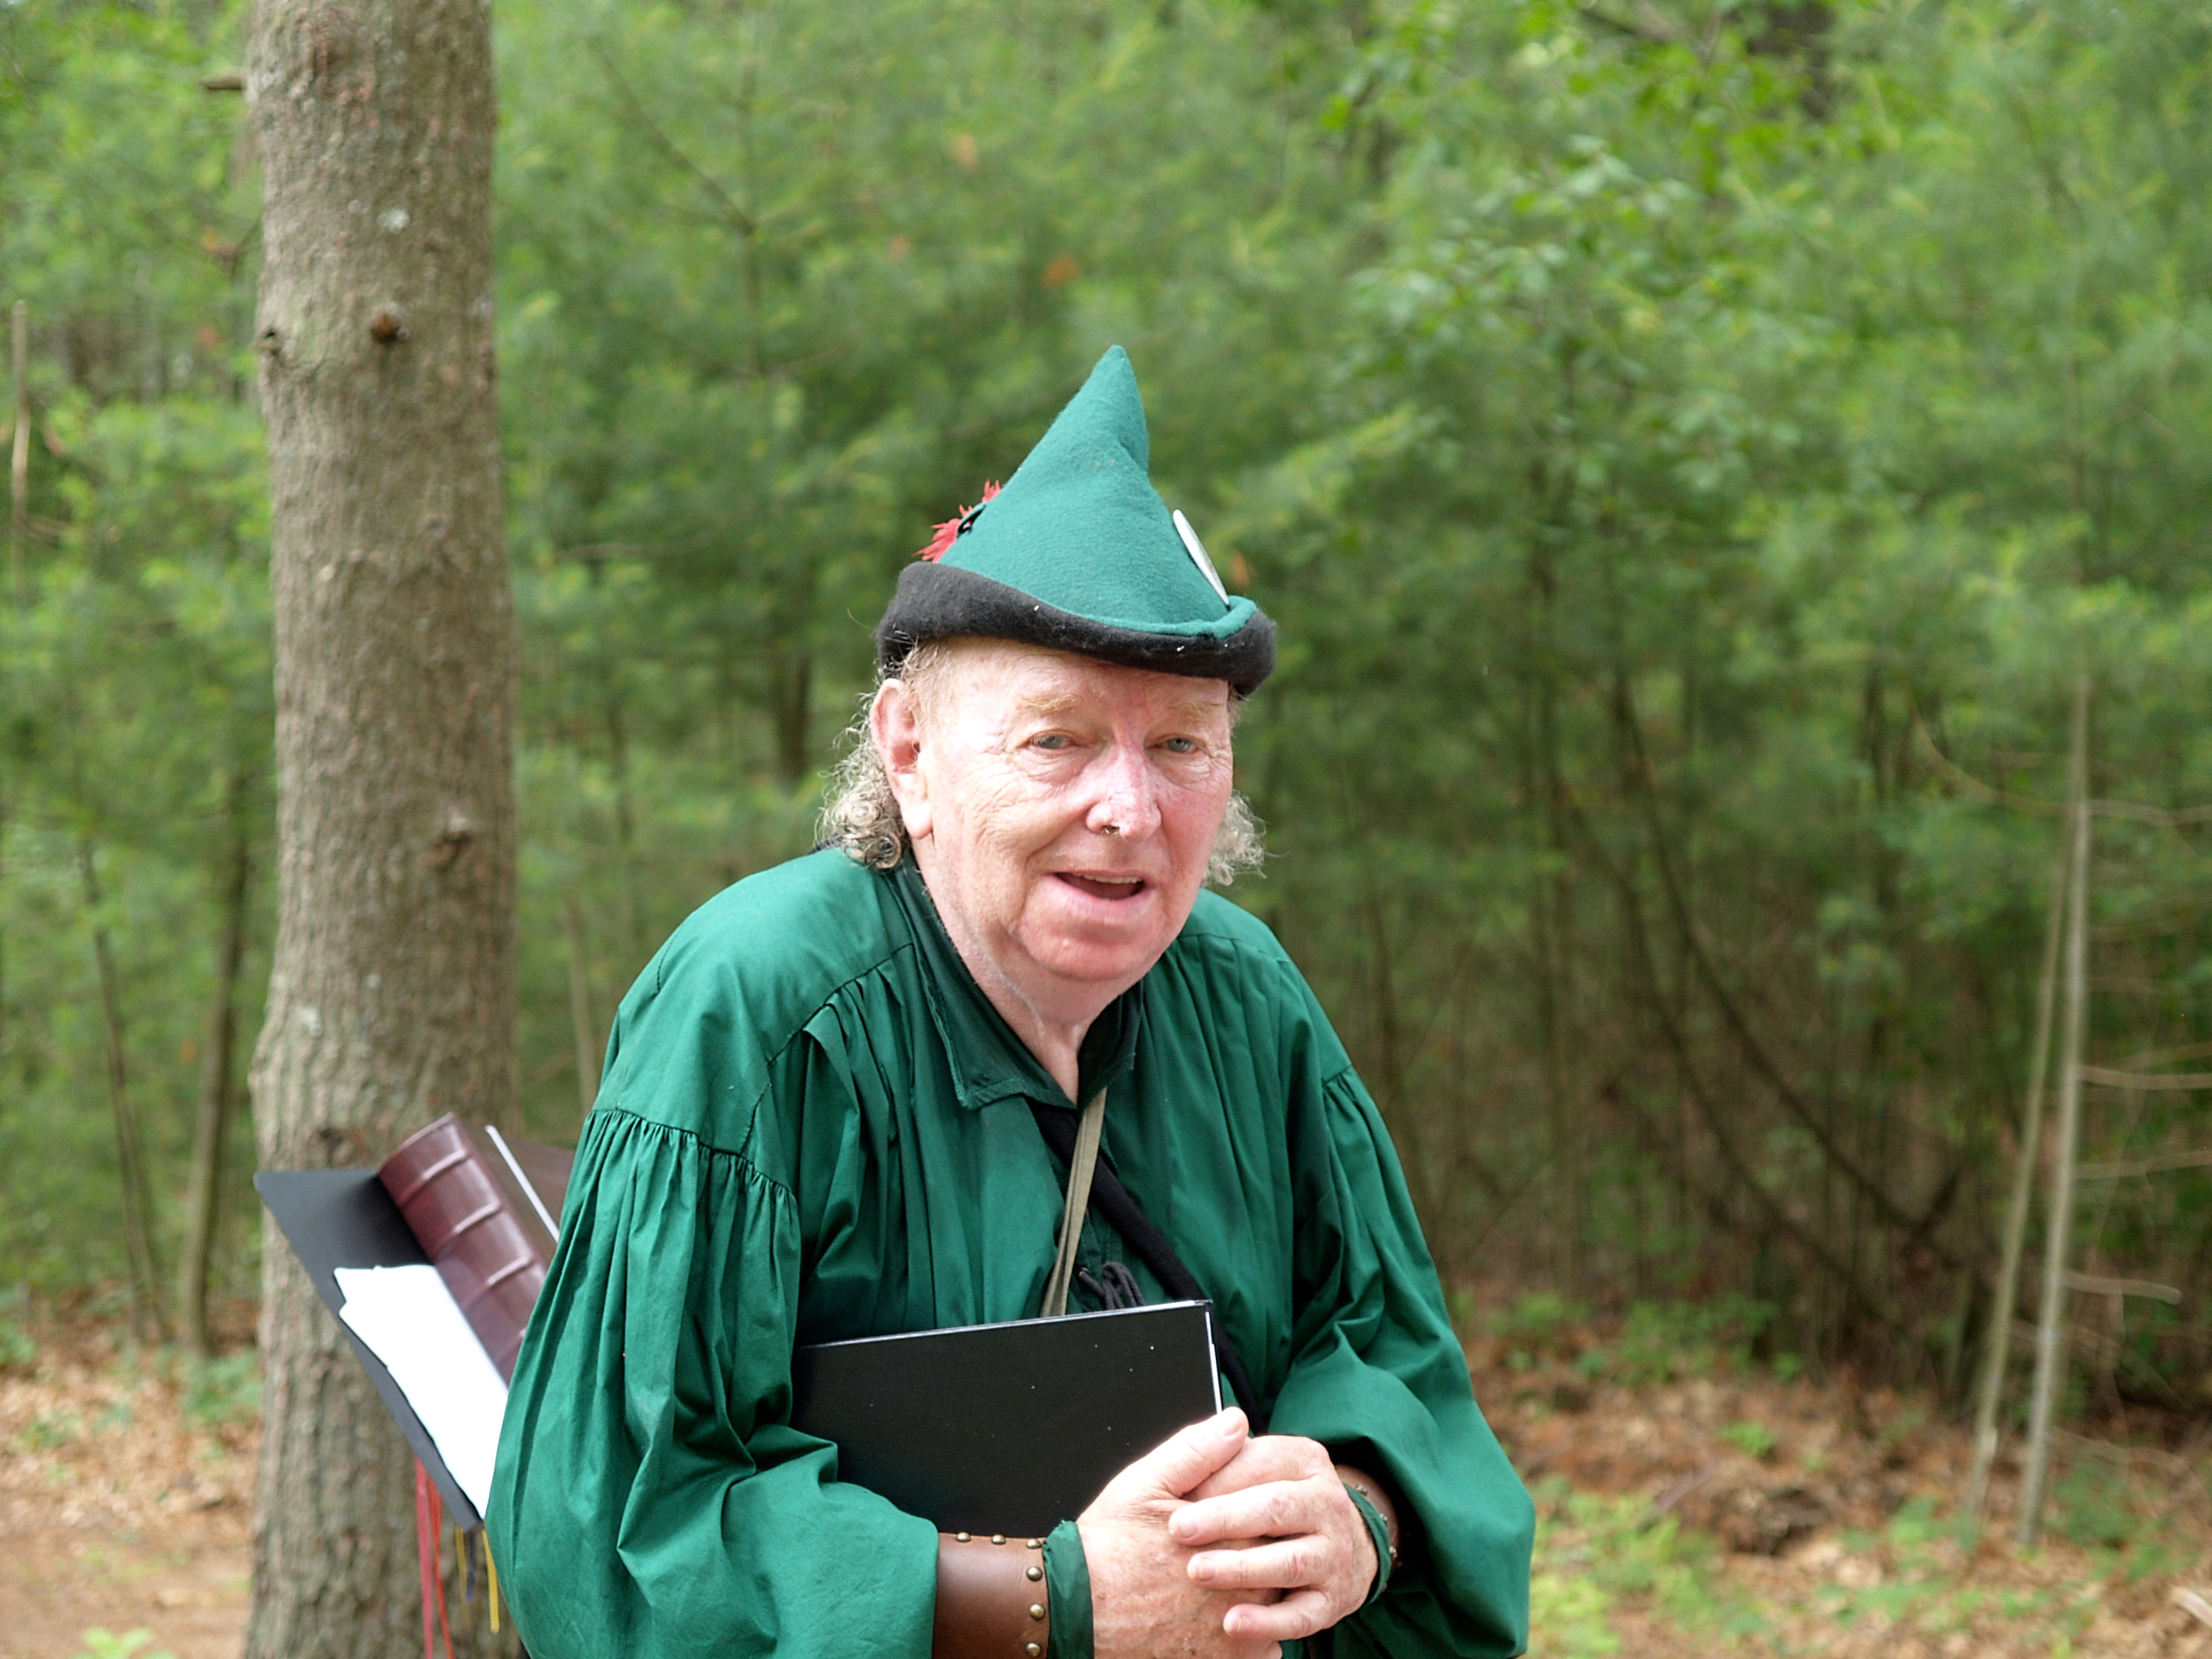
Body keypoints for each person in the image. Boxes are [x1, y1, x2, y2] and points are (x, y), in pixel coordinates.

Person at [486, 346, 1534, 1659]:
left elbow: (1389, 1365)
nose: (1130, 809)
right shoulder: (756, 1010)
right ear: (910, 751)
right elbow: (616, 1534)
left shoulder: (1249, 999)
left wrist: (1359, 1515)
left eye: (1181, 744)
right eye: (1056, 739)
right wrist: (1058, 1602)